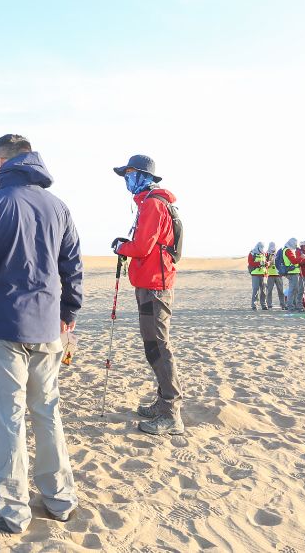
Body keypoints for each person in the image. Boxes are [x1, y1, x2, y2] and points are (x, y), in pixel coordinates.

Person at [0, 133, 81, 534]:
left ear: (2, 162)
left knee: (9, 415)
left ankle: (12, 508)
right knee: (47, 410)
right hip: (48, 325)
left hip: (5, 325)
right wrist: (68, 312)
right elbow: (72, 266)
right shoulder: (58, 206)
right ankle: (60, 498)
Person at [111, 154, 184, 435]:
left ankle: (171, 412)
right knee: (152, 344)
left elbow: (142, 247)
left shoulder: (153, 204)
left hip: (155, 284)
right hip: (150, 281)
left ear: (144, 176)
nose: (126, 180)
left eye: (130, 174)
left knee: (158, 346)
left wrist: (122, 248)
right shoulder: (149, 203)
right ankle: (163, 402)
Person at [280, 238, 304, 311]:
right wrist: (301, 257)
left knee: (295, 289)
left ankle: (293, 305)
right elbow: (294, 261)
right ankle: (290, 306)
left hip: (293, 272)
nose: (296, 245)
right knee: (292, 289)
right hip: (292, 272)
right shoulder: (288, 250)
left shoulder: (287, 249)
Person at [264, 241, 286, 309]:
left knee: (281, 291)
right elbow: (265, 264)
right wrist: (269, 262)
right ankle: (269, 304)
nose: (272, 250)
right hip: (270, 275)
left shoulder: (278, 254)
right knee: (269, 291)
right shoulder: (266, 254)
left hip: (278, 275)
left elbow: (282, 262)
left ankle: (283, 304)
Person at [248, 242, 269, 310]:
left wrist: (266, 264)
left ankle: (264, 305)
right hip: (255, 274)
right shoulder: (252, 253)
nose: (262, 249)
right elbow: (250, 263)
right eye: (261, 247)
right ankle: (254, 305)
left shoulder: (264, 253)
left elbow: (265, 262)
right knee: (255, 289)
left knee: (263, 290)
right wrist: (259, 263)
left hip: (263, 274)